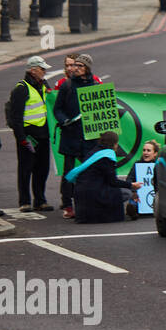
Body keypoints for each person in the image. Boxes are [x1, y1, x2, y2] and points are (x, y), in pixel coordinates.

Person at [52, 53, 98, 219]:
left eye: (80, 66)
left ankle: (87, 203)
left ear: (87, 69)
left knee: (89, 171)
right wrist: (65, 121)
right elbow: (57, 109)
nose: (75, 68)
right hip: (71, 135)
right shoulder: (67, 86)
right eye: (74, 65)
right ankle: (67, 204)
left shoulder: (94, 85)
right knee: (68, 173)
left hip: (89, 137)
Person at [65, 131, 140, 224]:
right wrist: (131, 185)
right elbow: (113, 182)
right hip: (93, 193)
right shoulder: (107, 157)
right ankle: (107, 213)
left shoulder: (93, 152)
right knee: (126, 192)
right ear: (114, 144)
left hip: (81, 193)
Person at [9, 56, 53, 213]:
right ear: (32, 70)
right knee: (26, 169)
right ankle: (25, 201)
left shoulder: (43, 86)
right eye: (42, 69)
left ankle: (40, 200)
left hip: (43, 134)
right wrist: (21, 139)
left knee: (43, 169)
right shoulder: (21, 88)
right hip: (28, 136)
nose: (44, 72)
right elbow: (16, 117)